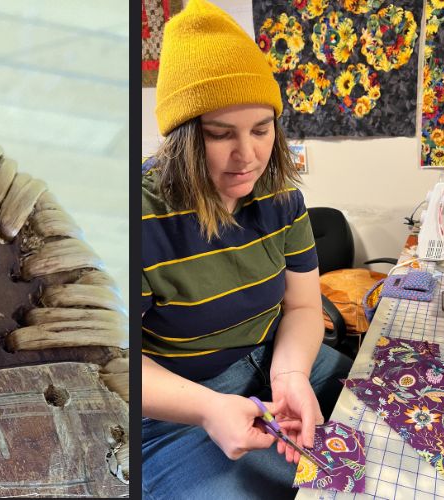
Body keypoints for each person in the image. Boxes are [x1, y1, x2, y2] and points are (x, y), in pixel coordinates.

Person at [137, 2, 349, 498]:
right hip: (172, 408)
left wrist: (291, 374)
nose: (248, 156)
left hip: (275, 360)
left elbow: (303, 306)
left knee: (383, 421)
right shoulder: (139, 218)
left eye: (261, 129)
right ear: (182, 139)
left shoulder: (281, 198)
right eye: (220, 134)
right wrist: (208, 408)